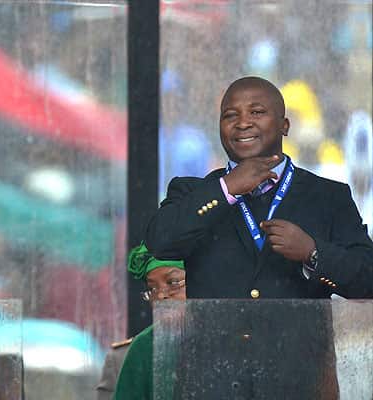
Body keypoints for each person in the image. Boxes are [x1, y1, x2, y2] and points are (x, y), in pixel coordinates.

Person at [145, 76, 371, 398]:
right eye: (230, 115)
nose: (242, 123)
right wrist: (226, 190)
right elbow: (159, 241)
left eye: (256, 112)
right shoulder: (191, 192)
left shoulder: (328, 196)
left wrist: (314, 253)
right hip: (210, 386)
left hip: (298, 386)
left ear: (285, 125)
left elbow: (368, 279)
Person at [109, 243, 185, 400]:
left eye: (173, 282)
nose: (161, 296)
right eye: (153, 289)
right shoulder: (145, 346)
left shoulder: (231, 336)